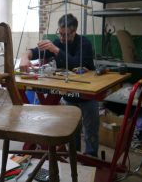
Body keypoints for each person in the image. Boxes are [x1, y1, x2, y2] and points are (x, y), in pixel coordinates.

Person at [19, 13, 99, 157]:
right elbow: (34, 52)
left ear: (74, 31)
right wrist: (24, 57)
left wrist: (54, 50)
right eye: (60, 34)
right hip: (69, 94)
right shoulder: (58, 42)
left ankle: (91, 160)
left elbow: (75, 63)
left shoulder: (84, 43)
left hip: (87, 95)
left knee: (90, 130)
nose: (62, 38)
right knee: (72, 128)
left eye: (66, 35)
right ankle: (74, 158)